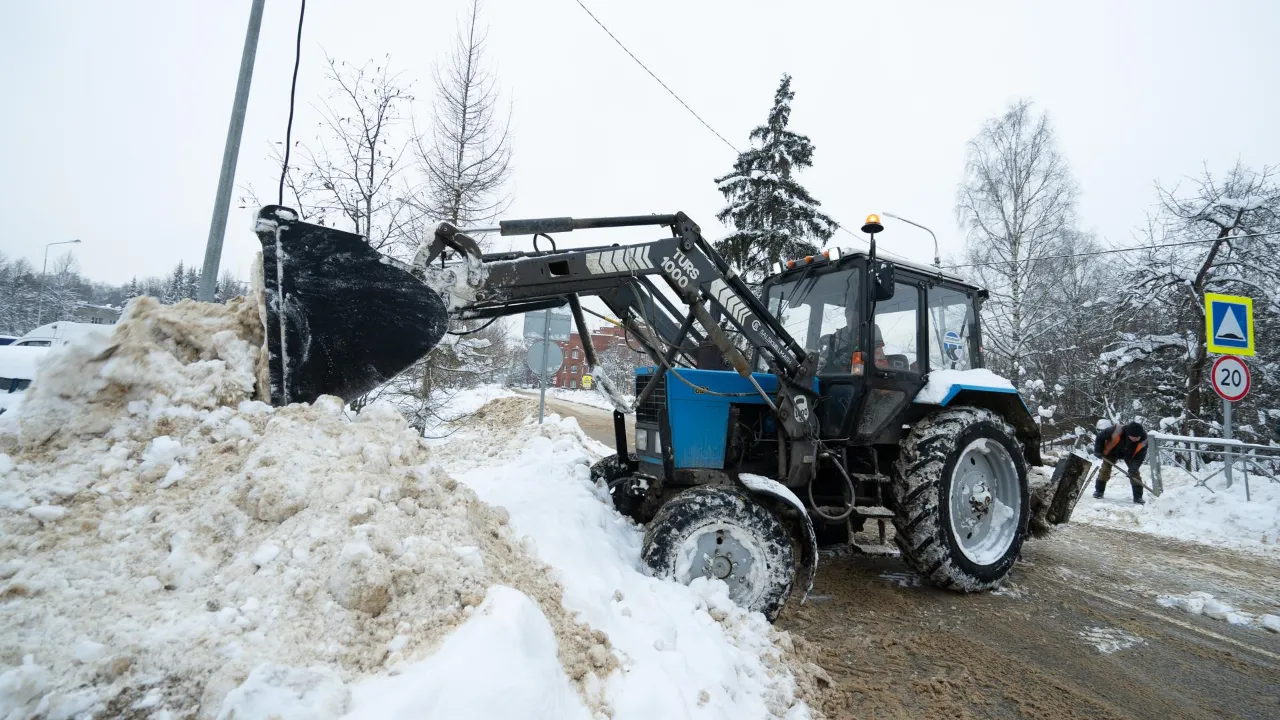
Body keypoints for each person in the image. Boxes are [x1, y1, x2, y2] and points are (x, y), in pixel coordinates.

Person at [1093, 420, 1148, 504]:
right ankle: (1099, 491)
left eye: (1137, 437)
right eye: (1133, 437)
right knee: (1105, 470)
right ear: (1128, 433)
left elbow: (1139, 458)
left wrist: (1133, 469)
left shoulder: (1144, 440)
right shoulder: (1115, 430)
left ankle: (1138, 497)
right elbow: (1100, 437)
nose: (1135, 439)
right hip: (1112, 451)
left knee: (1135, 474)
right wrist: (1098, 451)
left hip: (1130, 455)